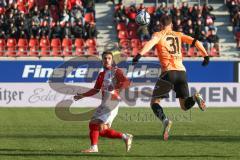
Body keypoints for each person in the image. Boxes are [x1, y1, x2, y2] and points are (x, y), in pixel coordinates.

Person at [132, 15, 210, 141]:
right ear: (171, 25)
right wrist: (205, 55)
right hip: (182, 72)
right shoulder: (178, 34)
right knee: (184, 106)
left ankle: (165, 121)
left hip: (168, 73)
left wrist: (138, 55)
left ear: (160, 25)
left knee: (154, 103)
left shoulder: (158, 34)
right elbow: (196, 41)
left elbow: (150, 44)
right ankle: (195, 97)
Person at [74, 51, 133, 153]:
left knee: (95, 124)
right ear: (102, 60)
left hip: (112, 100)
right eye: (105, 58)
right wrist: (82, 95)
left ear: (112, 60)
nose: (107, 60)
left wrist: (116, 86)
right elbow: (96, 89)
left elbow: (127, 82)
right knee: (98, 128)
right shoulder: (101, 74)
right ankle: (124, 137)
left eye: (109, 58)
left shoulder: (116, 71)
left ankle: (94, 147)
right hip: (106, 101)